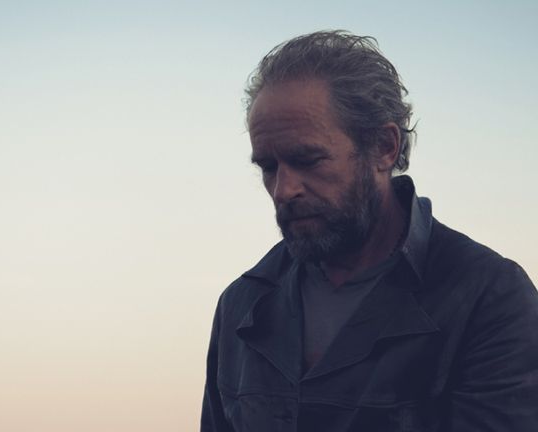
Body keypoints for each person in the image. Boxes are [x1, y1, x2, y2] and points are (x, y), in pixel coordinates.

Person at [200, 30, 538, 432]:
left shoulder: (487, 297)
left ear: (383, 146)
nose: (283, 190)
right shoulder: (242, 306)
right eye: (269, 167)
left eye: (307, 159)